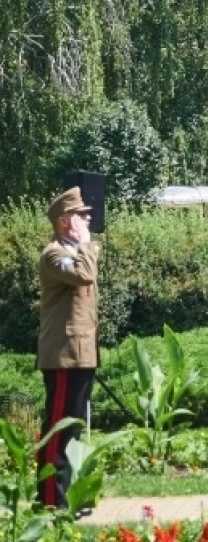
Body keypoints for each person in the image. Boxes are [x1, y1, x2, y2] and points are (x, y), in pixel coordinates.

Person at [37, 187, 99, 512]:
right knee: (58, 430)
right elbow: (84, 275)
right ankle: (50, 500)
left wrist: (85, 246)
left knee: (73, 430)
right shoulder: (54, 254)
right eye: (80, 215)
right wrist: (87, 245)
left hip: (82, 354)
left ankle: (70, 497)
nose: (88, 219)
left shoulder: (76, 252)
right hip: (63, 355)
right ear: (64, 221)